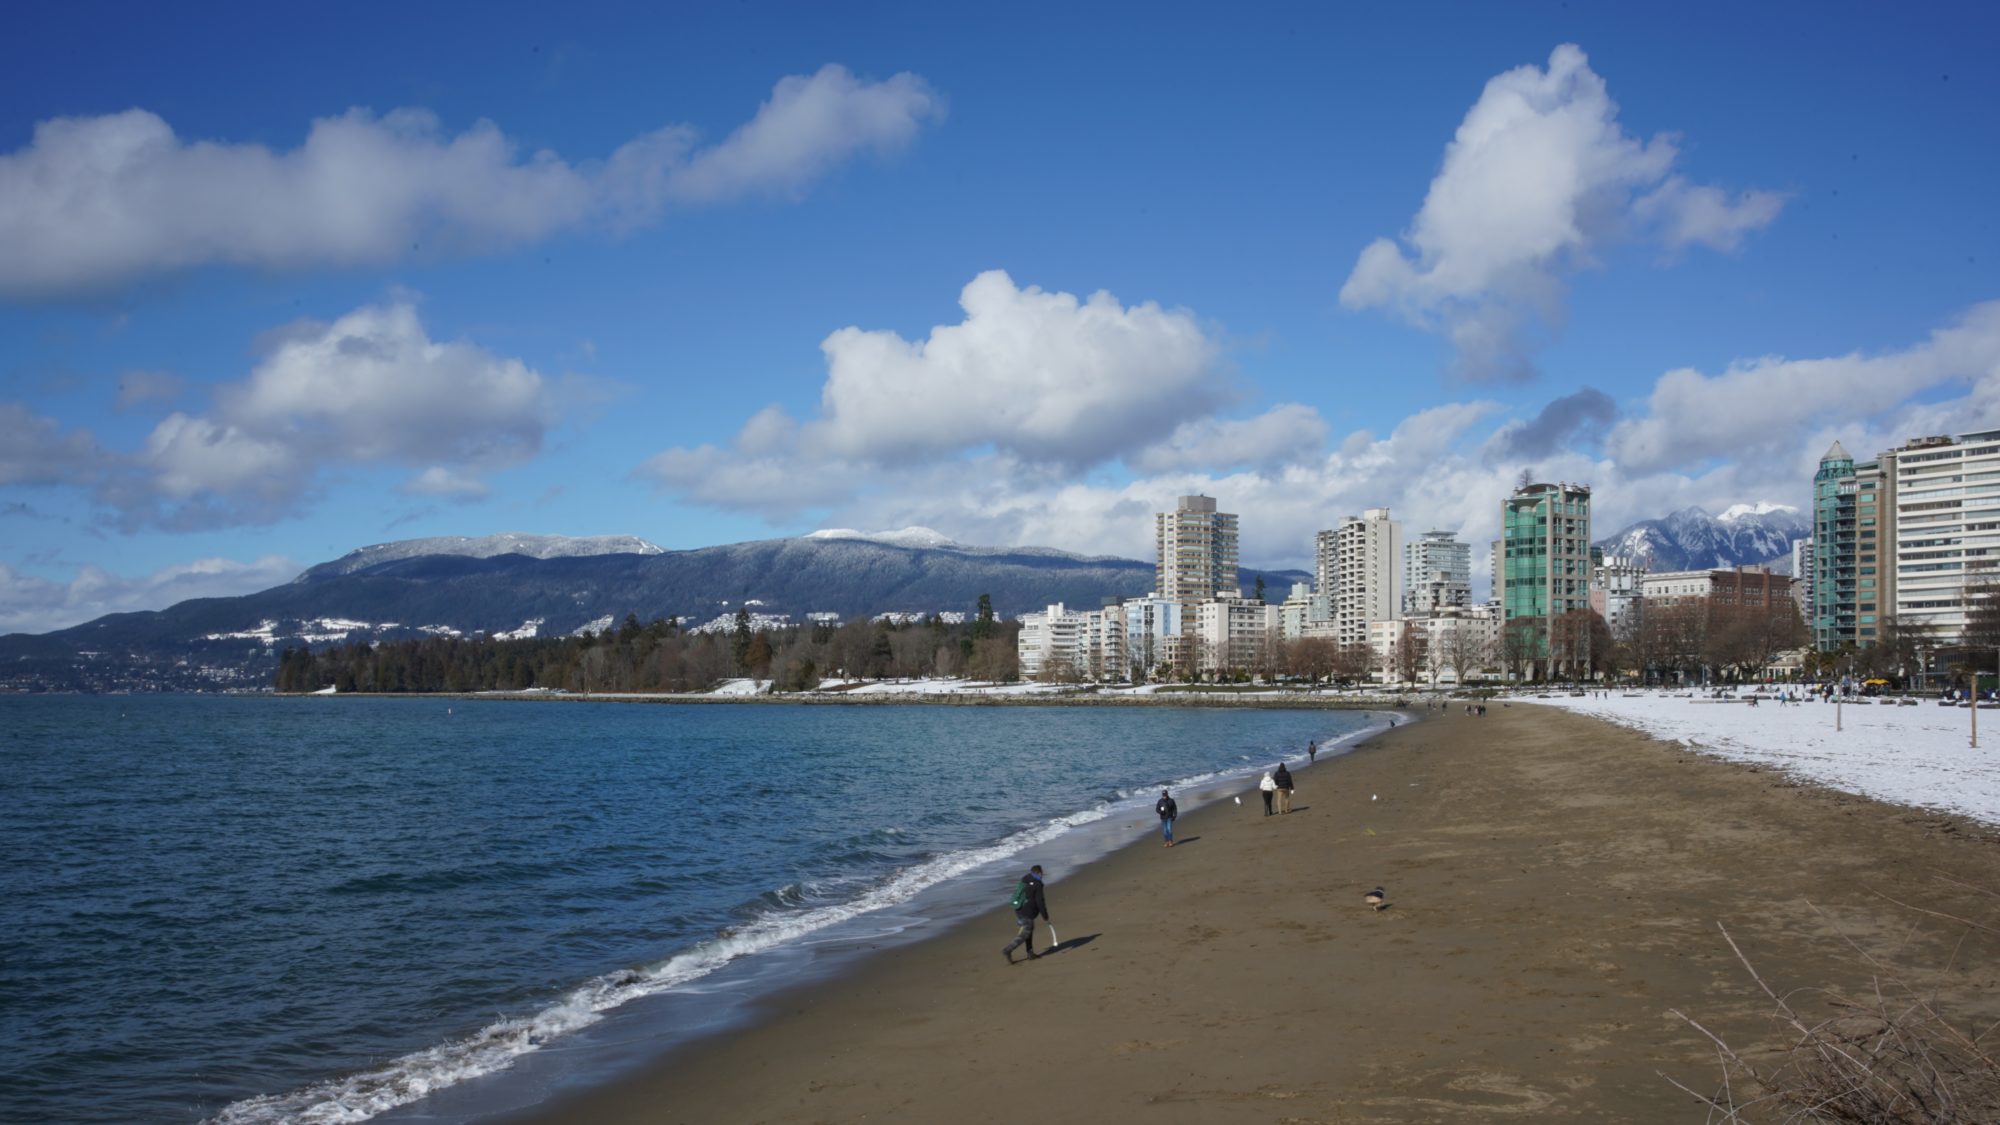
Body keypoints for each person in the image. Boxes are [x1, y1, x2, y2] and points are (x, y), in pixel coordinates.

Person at [1002, 864, 1050, 963]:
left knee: (1029, 929)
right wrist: (1045, 915)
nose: (1042, 875)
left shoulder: (1025, 879)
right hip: (1027, 912)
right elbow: (1040, 901)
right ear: (1039, 873)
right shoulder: (1037, 884)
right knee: (1025, 933)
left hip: (1019, 909)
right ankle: (1008, 949)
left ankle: (1030, 953)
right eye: (1041, 873)